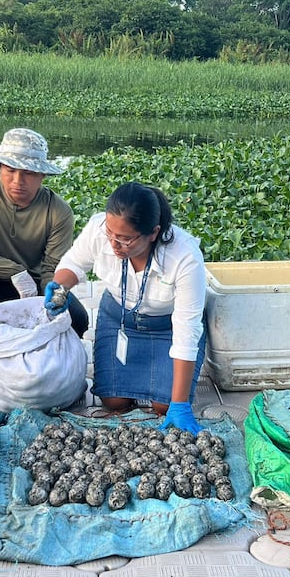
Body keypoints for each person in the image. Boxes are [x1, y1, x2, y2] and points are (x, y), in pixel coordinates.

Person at [46, 182, 206, 433]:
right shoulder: (100, 231)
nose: (114, 244)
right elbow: (74, 263)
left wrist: (180, 404)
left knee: (165, 405)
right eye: (110, 233)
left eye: (125, 239)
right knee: (113, 402)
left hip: (168, 327)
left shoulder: (184, 257)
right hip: (119, 318)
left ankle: (172, 402)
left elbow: (187, 331)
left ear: (153, 233)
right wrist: (60, 287)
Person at [0, 128, 88, 392]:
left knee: (78, 317)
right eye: (10, 170)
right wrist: (15, 271)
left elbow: (52, 270)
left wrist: (49, 302)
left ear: (43, 175)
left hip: (35, 288)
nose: (17, 180)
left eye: (28, 173)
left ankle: (45, 359)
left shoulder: (58, 211)